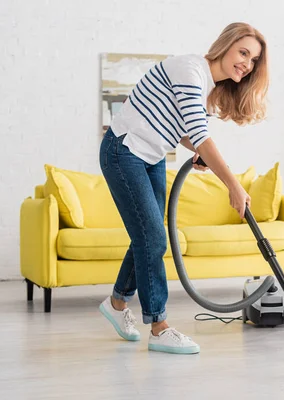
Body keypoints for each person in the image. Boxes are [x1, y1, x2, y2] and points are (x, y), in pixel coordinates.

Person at [98, 22, 268, 354]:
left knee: (148, 236)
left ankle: (117, 304)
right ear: (226, 45)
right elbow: (200, 133)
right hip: (123, 150)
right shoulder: (190, 70)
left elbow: (185, 131)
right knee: (153, 237)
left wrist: (197, 151)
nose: (247, 64)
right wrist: (233, 185)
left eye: (253, 60)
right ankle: (159, 327)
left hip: (151, 156)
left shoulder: (205, 85)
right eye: (243, 53)